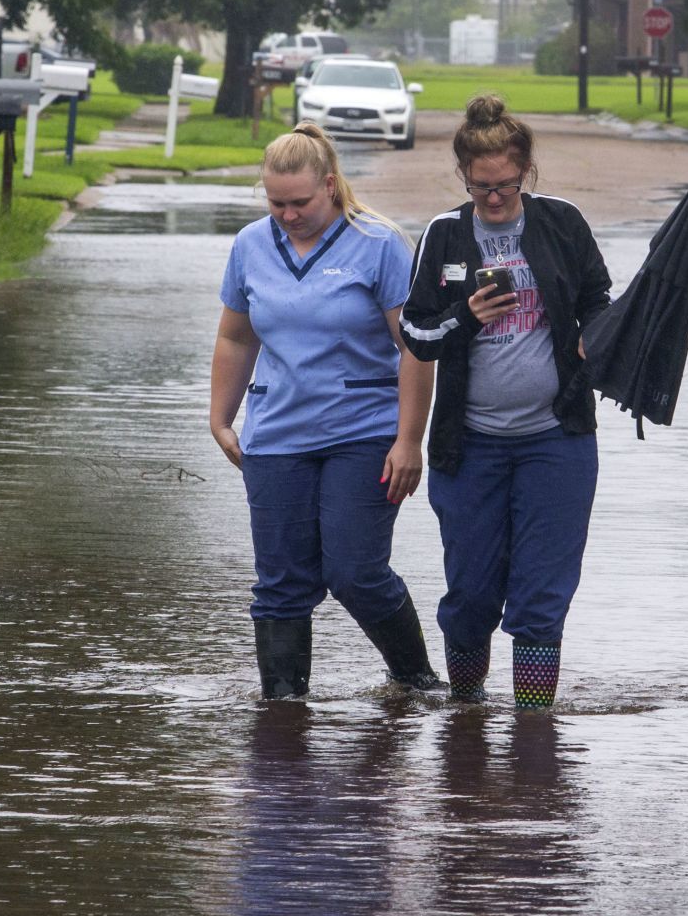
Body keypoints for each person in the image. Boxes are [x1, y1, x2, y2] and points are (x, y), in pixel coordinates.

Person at [210, 121, 440, 700]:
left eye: (300, 202)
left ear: (332, 186)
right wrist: (220, 418)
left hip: (362, 433)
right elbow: (236, 338)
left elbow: (414, 345)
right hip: (276, 434)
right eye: (275, 202)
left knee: (354, 570)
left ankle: (415, 681)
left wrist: (409, 440)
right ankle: (284, 712)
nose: (287, 214)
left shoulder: (380, 243)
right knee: (282, 583)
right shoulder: (249, 246)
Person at [398, 95, 612, 709]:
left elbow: (600, 301)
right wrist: (465, 316)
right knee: (469, 598)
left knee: (542, 596)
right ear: (464, 177)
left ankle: (532, 729)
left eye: (507, 186)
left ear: (527, 174)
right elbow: (416, 335)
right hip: (470, 448)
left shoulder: (562, 223)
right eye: (481, 187)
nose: (494, 199)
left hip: (558, 440)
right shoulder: (443, 235)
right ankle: (466, 716)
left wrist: (587, 337)